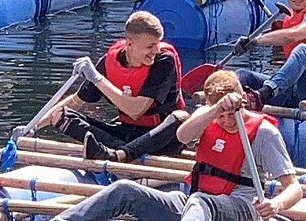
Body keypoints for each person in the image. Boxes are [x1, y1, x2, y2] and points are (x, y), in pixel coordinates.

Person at [4, 70, 303, 221]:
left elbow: (294, 187)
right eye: (220, 113)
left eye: (231, 113)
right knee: (123, 190)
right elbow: (184, 135)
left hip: (241, 212)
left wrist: (275, 204)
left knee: (201, 201)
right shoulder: (207, 117)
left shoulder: (264, 132)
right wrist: (215, 110)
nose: (226, 120)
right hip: (197, 207)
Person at [28, 11, 188, 162]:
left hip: (159, 137)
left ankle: (116, 155)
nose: (155, 51)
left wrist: (98, 79)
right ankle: (111, 151)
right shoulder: (109, 62)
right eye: (149, 47)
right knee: (61, 115)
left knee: (180, 118)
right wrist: (33, 127)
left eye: (157, 44)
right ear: (130, 44)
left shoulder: (164, 61)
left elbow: (136, 111)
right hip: (126, 132)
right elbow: (76, 101)